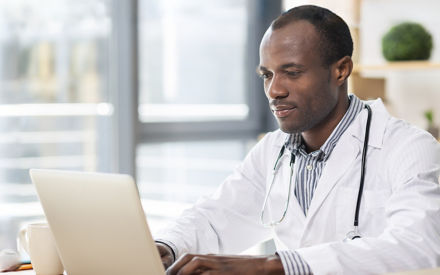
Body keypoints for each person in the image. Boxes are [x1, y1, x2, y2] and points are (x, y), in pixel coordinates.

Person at [154, 5, 440, 275]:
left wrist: (272, 267)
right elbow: (216, 217)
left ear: (340, 70)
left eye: (292, 73)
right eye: (267, 75)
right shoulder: (273, 150)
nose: (274, 90)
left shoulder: (408, 148)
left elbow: (420, 248)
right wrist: (167, 247)